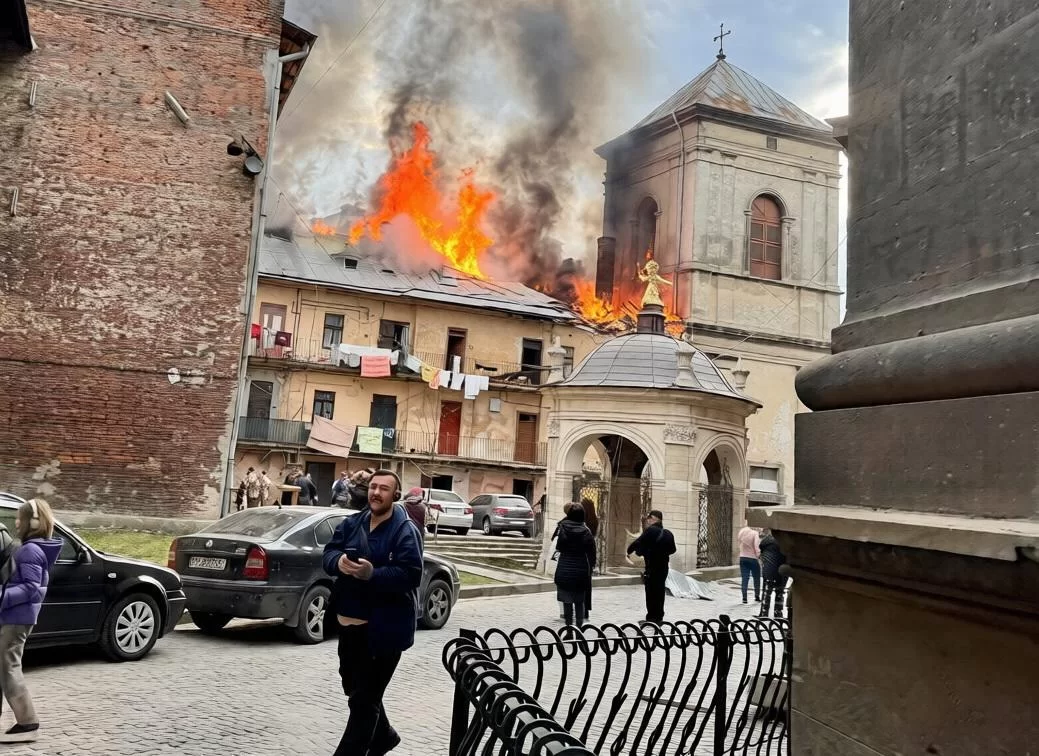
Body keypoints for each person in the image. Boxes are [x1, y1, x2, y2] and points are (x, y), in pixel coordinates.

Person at [322, 470, 423, 756]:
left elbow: (411, 574)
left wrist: (372, 574)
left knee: (364, 703)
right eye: (373, 487)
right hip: (349, 627)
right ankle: (385, 737)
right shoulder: (352, 523)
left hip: (383, 632)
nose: (376, 492)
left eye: (384, 488)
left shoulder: (405, 530)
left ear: (396, 495)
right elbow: (328, 553)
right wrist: (337, 562)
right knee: (356, 693)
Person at [0, 498, 62, 743]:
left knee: (9, 668)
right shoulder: (32, 548)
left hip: (16, 619)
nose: (16, 522)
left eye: (20, 518)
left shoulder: (30, 550)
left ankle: (28, 723)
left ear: (33, 522)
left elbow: (31, 588)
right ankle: (26, 722)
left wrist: (1, 595)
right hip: (15, 617)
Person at [626, 510, 676, 624]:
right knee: (660, 591)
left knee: (651, 592)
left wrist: (629, 550)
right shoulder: (668, 533)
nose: (648, 520)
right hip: (663, 567)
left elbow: (638, 542)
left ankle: (651, 618)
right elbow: (673, 549)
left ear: (655, 519)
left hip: (652, 566)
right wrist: (662, 552)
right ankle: (659, 617)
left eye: (649, 518)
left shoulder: (651, 531)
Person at [553, 503, 596, 627]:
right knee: (579, 601)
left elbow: (559, 547)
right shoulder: (586, 531)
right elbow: (592, 552)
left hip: (564, 568)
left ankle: (569, 629)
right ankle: (579, 628)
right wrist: (591, 567)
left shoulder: (563, 529)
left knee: (567, 601)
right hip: (581, 569)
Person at [758, 529, 787, 619]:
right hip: (781, 570)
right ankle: (778, 613)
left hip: (769, 570)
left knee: (767, 592)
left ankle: (764, 613)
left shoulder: (767, 540)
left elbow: (761, 546)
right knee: (780, 592)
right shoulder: (785, 542)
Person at [579, 497, 599, 617]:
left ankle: (578, 607)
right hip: (589, 556)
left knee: (577, 584)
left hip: (581, 556)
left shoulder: (581, 522)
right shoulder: (594, 521)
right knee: (587, 584)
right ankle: (586, 609)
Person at [737, 523, 761, 604]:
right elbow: (756, 546)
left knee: (745, 578)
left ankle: (744, 598)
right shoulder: (755, 533)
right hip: (753, 558)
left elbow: (739, 543)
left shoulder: (742, 531)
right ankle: (757, 596)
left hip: (742, 557)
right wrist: (758, 556)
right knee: (757, 577)